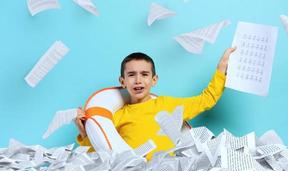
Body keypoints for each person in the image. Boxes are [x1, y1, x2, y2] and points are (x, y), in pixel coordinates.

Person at [75, 48, 236, 160]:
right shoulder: (118, 116)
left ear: (154, 80)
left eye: (144, 74)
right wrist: (85, 134)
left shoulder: (167, 104)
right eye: (131, 75)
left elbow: (206, 99)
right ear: (122, 82)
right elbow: (102, 150)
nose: (138, 80)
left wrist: (221, 68)